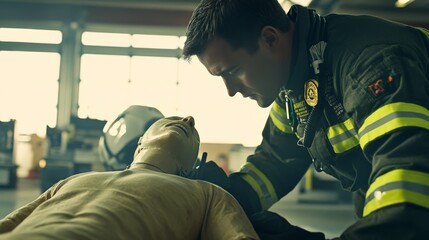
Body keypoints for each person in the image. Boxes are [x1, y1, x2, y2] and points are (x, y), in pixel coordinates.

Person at [182, 0, 429, 239]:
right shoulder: (294, 85)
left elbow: (408, 178)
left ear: (270, 39)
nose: (230, 90)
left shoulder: (369, 65)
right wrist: (222, 197)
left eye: (233, 71)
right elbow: (276, 161)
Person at [0, 116, 259, 240]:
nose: (188, 119)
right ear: (139, 144)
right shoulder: (73, 180)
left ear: (192, 166)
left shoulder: (208, 192)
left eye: (194, 133)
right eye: (169, 119)